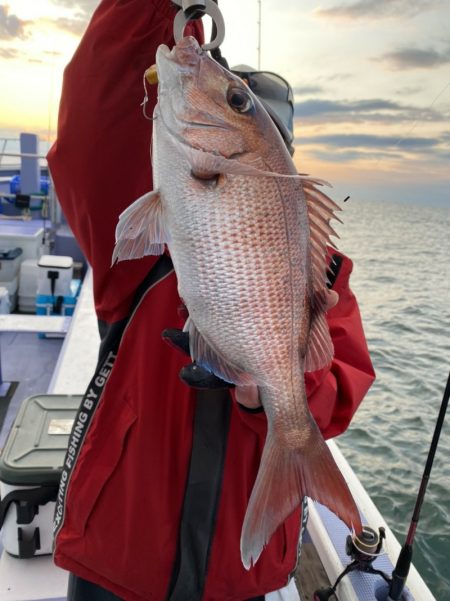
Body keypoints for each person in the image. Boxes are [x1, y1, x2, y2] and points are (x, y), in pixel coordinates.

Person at [47, 1, 375, 600]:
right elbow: (94, 115)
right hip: (122, 560)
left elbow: (344, 384)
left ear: (281, 153)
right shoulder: (143, 260)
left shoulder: (323, 276)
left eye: (246, 110)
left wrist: (276, 392)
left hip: (239, 575)